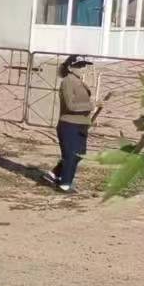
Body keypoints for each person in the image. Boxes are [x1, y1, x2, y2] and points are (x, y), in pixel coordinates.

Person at [50, 55, 97, 193]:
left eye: (84, 65)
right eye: (79, 66)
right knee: (71, 155)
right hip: (69, 124)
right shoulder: (67, 82)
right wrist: (91, 105)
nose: (83, 68)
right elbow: (70, 105)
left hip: (81, 124)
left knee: (79, 154)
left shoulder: (79, 81)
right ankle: (65, 185)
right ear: (70, 68)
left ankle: (54, 174)